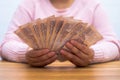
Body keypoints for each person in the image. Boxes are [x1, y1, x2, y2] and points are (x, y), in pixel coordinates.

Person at [0, 0, 120, 67]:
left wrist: (93, 55)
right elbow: (6, 44)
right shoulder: (29, 4)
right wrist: (25, 54)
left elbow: (113, 46)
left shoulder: (93, 6)